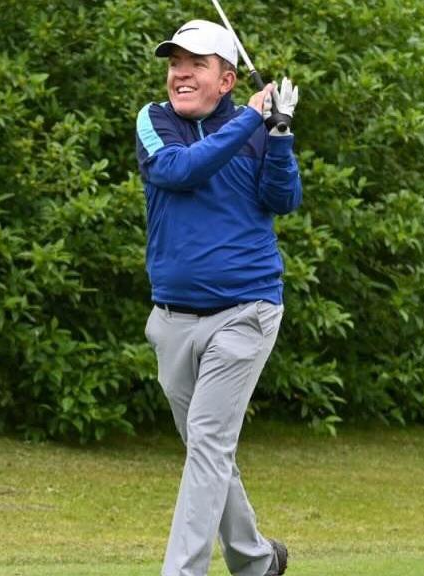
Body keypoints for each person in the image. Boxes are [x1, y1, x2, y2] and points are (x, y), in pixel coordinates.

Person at [134, 19, 302, 576]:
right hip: (172, 320)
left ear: (227, 79)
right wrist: (255, 118)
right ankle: (257, 563)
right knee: (209, 452)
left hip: (246, 310)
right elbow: (178, 172)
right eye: (174, 64)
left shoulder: (254, 129)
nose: (179, 74)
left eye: (195, 64)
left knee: (207, 444)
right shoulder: (155, 122)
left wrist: (278, 138)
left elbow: (283, 199)